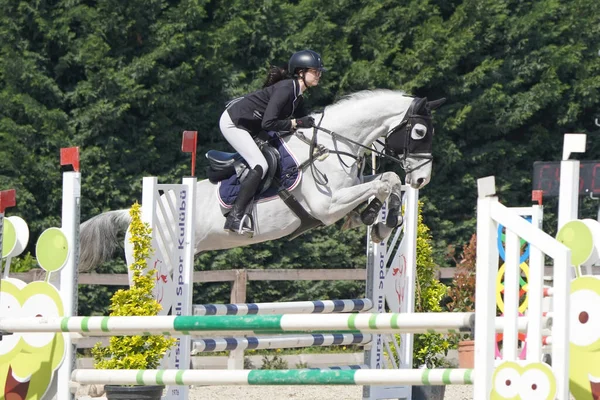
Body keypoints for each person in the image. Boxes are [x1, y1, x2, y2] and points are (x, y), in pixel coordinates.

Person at [219, 49, 326, 234]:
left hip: (253, 126)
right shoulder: (286, 88)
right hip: (234, 123)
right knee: (260, 164)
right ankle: (235, 217)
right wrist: (296, 122)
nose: (319, 74)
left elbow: (304, 123)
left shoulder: (297, 95)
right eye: (315, 71)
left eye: (319, 71)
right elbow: (269, 122)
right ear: (301, 72)